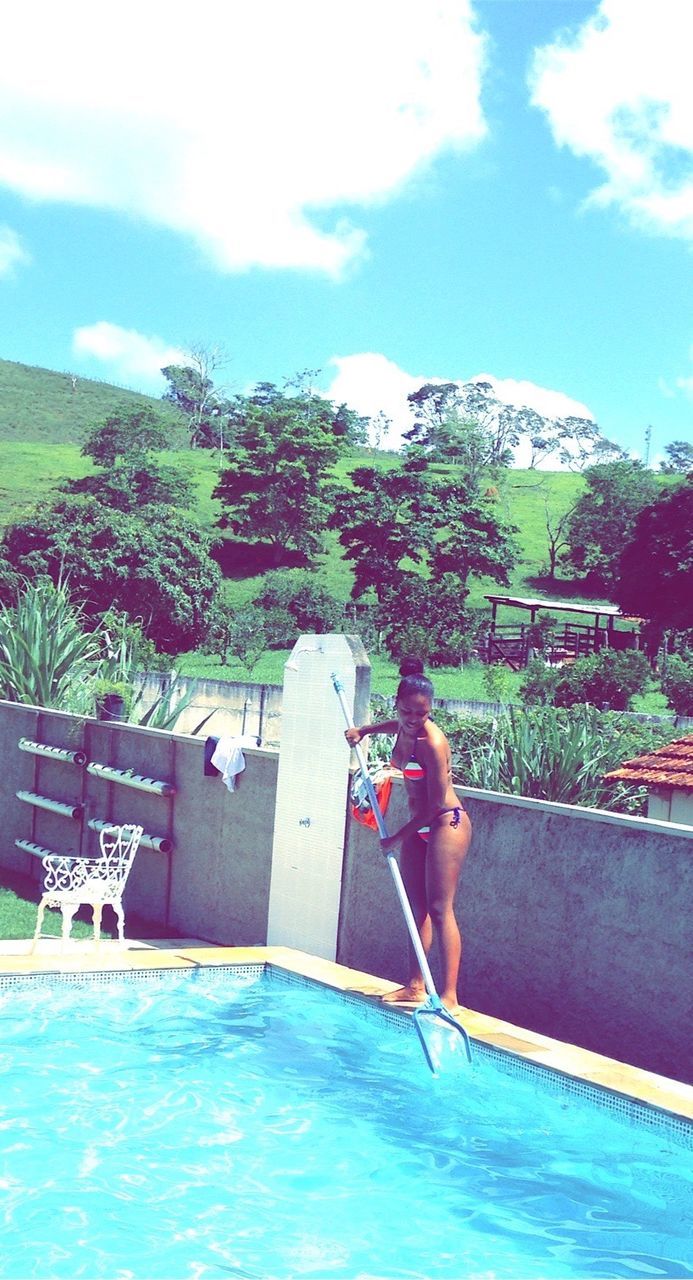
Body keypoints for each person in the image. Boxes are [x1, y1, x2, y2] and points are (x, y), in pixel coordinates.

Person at [344, 660, 471, 1012]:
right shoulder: (403, 726)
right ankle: (415, 985)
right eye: (407, 711)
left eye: (422, 713)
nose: (414, 719)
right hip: (420, 823)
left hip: (446, 822)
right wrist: (365, 730)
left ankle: (450, 996)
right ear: (397, 705)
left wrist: (396, 837)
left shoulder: (432, 742)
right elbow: (395, 727)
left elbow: (433, 806)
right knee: (416, 909)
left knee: (440, 908)